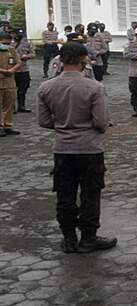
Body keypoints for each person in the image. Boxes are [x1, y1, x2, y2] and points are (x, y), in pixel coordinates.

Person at [36, 42, 116, 254]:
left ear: (60, 60)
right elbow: (101, 122)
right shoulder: (95, 87)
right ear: (83, 60)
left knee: (65, 195)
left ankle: (69, 239)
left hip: (62, 150)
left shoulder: (46, 87)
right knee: (91, 193)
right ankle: (89, 238)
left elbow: (43, 121)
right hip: (90, 149)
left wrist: (64, 125)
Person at [0, 32, 22, 136]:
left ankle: (7, 125)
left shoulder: (11, 50)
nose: (7, 45)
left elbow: (18, 62)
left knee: (9, 105)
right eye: (4, 43)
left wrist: (12, 70)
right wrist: (4, 71)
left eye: (8, 43)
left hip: (9, 81)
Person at [13, 31, 34, 113]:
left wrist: (26, 56)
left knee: (23, 89)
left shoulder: (27, 44)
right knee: (11, 90)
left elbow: (33, 54)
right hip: (12, 70)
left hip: (23, 69)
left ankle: (21, 106)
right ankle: (12, 107)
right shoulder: (8, 43)